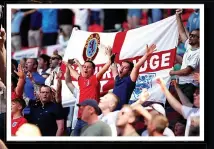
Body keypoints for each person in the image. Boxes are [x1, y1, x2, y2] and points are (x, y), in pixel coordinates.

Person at [68, 47, 113, 135]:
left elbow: (106, 67)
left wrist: (109, 56)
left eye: (88, 67)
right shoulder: (81, 80)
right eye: (84, 67)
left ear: (93, 70)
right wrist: (68, 65)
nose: (85, 68)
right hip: (80, 119)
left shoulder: (94, 78)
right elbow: (73, 73)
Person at [111, 44, 156, 110]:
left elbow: (136, 66)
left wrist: (146, 55)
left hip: (121, 111)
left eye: (125, 67)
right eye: (121, 66)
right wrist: (110, 55)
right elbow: (113, 65)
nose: (122, 68)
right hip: (111, 110)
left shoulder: (130, 80)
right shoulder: (117, 79)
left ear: (129, 72)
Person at [169, 9, 200, 103]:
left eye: (193, 36)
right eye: (190, 35)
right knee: (183, 112)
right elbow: (182, 32)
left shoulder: (198, 53)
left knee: (187, 111)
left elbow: (187, 71)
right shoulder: (189, 46)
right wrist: (178, 16)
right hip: (183, 83)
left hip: (190, 86)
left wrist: (173, 73)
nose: (190, 37)